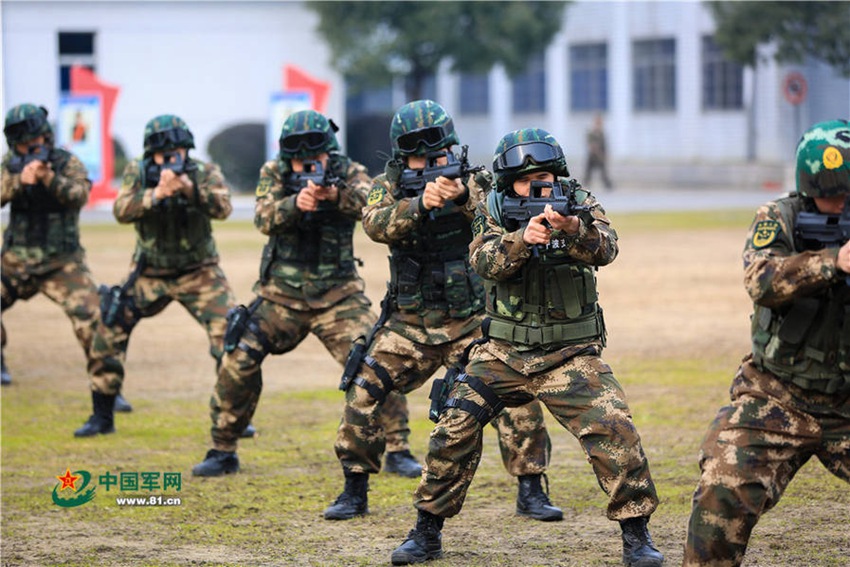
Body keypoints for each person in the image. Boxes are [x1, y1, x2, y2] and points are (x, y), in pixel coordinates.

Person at [389, 128, 664, 566]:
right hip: (502, 353)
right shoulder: (492, 208)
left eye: (545, 176)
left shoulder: (580, 202)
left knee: (615, 430)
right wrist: (523, 240)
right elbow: (483, 260)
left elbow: (608, 248)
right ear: (507, 181)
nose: (538, 186)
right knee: (452, 428)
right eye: (526, 179)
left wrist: (573, 229)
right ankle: (426, 531)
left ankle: (637, 536)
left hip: (570, 354)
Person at [326, 100, 561, 524]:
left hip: (472, 322)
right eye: (421, 158)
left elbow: (502, 221)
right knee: (362, 390)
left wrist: (462, 198)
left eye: (439, 156)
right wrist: (419, 206)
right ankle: (354, 487)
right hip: (408, 326)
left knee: (515, 400)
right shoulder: (388, 185)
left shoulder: (477, 182)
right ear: (402, 158)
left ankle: (531, 488)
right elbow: (375, 224)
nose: (432, 164)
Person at [191, 110, 422, 479]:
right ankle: (223, 448)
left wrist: (336, 196)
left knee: (377, 362)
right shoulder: (275, 172)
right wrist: (294, 205)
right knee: (237, 356)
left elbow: (371, 205)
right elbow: (263, 217)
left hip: (338, 297)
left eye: (314, 159)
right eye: (299, 159)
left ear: (329, 153)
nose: (306, 165)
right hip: (280, 296)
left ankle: (398, 448)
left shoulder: (349, 171)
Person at [683, 119, 850, 566]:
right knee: (721, 489)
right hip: (777, 395)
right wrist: (833, 261)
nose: (840, 206)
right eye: (832, 197)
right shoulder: (779, 217)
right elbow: (762, 280)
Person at [76, 114, 236, 437]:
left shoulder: (203, 171)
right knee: (109, 327)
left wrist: (191, 191)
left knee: (231, 335)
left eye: (178, 152)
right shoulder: (137, 170)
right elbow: (121, 210)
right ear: (152, 154)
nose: (172, 159)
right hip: (150, 272)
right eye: (164, 154)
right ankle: (102, 415)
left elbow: (223, 207)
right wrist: (156, 194)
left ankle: (233, 416)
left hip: (199, 271)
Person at [0, 103, 124, 415]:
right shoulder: (10, 165)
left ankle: (108, 391)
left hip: (62, 263)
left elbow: (79, 195)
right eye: (24, 146)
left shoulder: (67, 163)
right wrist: (19, 182)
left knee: (94, 320)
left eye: (36, 143)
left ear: (46, 138)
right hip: (16, 259)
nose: (31, 150)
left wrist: (47, 179)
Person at [584, 113, 612, 191]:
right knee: (588, 173)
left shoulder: (602, 133)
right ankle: (584, 186)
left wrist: (604, 155)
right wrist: (597, 152)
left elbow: (605, 145)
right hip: (593, 156)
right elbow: (591, 144)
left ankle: (609, 186)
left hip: (600, 156)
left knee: (604, 173)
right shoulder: (591, 133)